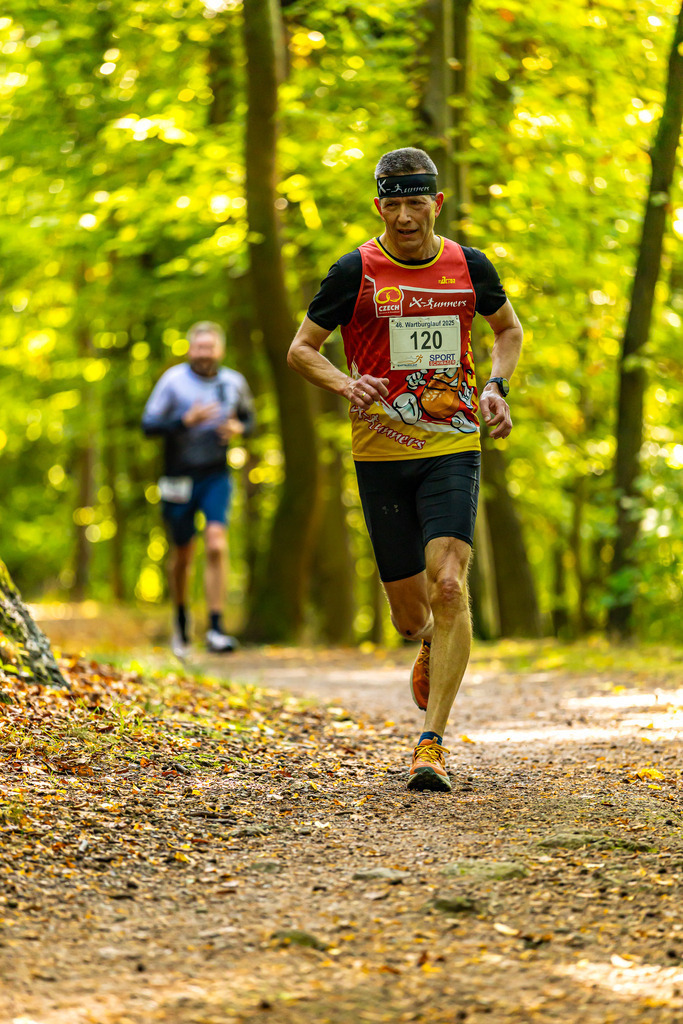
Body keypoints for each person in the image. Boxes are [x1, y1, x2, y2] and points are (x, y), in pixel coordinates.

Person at [287, 148, 522, 792]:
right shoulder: (354, 270)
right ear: (379, 205)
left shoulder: (469, 266)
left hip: (451, 445)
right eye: (393, 201)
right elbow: (301, 349)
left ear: (436, 204)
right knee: (411, 613)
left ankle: (431, 745)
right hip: (381, 453)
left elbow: (507, 330)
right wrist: (344, 384)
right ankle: (427, 642)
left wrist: (497, 388)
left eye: (416, 201)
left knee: (450, 584)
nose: (405, 214)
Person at [142, 321, 255, 658]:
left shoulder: (233, 382)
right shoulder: (173, 381)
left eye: (211, 347)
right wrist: (183, 422)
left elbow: (250, 421)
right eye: (199, 347)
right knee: (183, 554)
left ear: (219, 350)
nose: (205, 353)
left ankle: (217, 629)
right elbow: (148, 426)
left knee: (217, 544)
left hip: (215, 474)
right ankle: (180, 620)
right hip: (177, 477)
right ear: (191, 349)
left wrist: (238, 426)